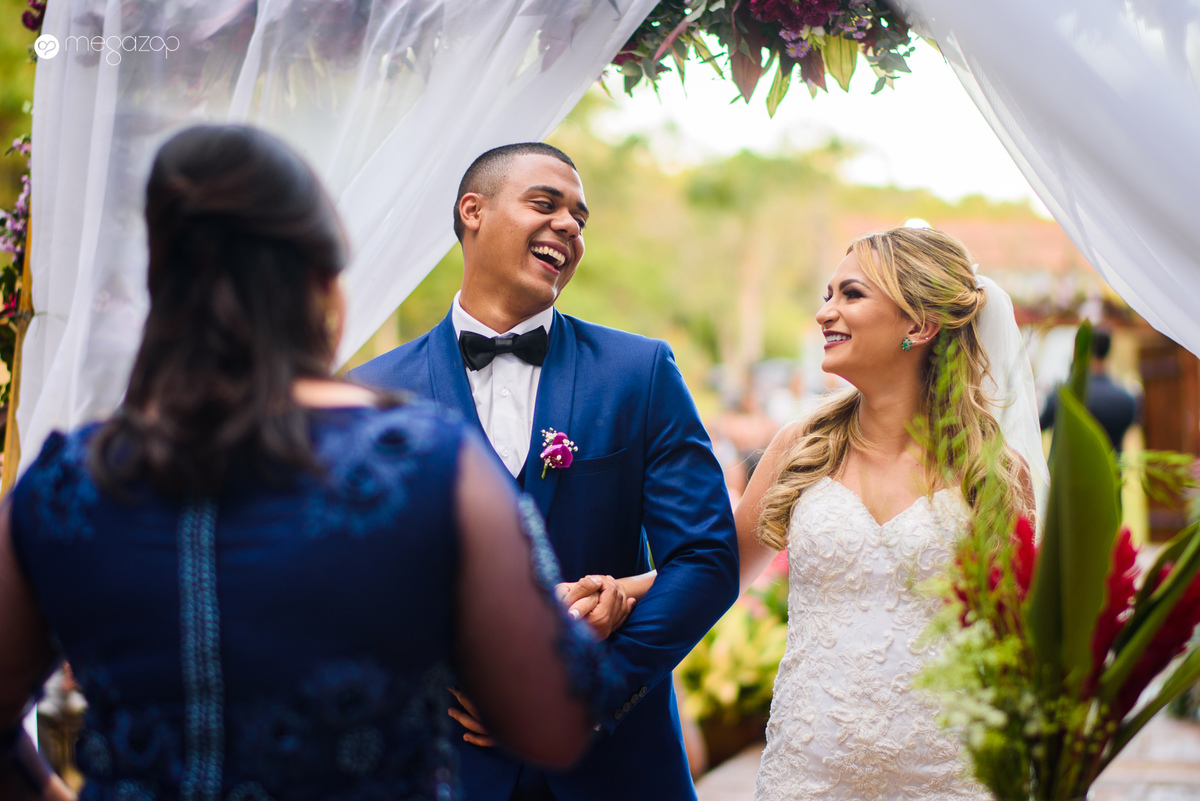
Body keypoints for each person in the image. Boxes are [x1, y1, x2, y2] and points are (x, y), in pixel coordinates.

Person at [0, 125, 611, 801]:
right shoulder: (429, 462)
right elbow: (555, 721)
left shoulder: (63, 483)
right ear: (324, 288)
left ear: (163, 288)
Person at [348, 142, 740, 801]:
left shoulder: (639, 372)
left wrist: (589, 690)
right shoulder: (373, 393)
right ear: (473, 211)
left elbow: (706, 558)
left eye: (579, 218)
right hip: (444, 764)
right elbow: (352, 580)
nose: (568, 226)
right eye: (545, 203)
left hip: (613, 765)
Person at [625, 227, 1040, 799]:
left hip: (950, 773)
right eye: (827, 295)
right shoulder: (801, 447)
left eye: (851, 294)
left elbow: (1022, 638)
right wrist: (623, 589)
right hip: (809, 770)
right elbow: (718, 571)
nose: (825, 313)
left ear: (919, 325)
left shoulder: (993, 471)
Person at [1039, 327, 1139, 452]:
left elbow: (1040, 426)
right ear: (1108, 350)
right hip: (1110, 464)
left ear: (1080, 348)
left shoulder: (1062, 397)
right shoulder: (1126, 401)